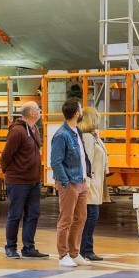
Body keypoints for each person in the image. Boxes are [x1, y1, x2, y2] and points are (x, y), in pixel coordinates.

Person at [0, 102, 49, 259]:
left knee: (33, 214)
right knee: (15, 214)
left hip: (33, 181)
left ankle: (28, 247)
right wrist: (11, 173)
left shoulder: (34, 129)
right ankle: (10, 247)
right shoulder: (17, 131)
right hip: (18, 182)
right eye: (38, 108)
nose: (40, 110)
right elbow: (5, 157)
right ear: (32, 114)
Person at [50, 98, 92, 267]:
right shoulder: (62, 135)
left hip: (81, 182)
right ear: (77, 113)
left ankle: (74, 253)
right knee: (65, 219)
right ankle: (63, 255)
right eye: (81, 109)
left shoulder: (77, 132)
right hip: (70, 183)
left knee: (81, 218)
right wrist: (66, 183)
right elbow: (56, 162)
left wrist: (85, 178)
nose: (82, 112)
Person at [79, 106, 109, 262]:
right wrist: (87, 182)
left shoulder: (94, 135)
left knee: (92, 215)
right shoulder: (88, 137)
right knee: (91, 215)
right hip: (91, 182)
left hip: (97, 181)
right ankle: (85, 249)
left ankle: (87, 249)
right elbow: (87, 161)